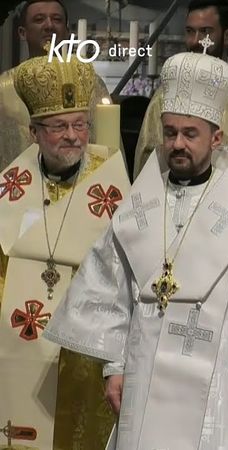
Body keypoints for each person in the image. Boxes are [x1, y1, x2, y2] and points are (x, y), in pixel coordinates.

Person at [43, 46, 228, 449]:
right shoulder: (143, 201)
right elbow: (114, 283)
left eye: (190, 133)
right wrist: (115, 365)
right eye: (169, 133)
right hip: (145, 362)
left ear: (216, 137)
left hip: (215, 365)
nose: (177, 143)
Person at [0, 54, 129, 449]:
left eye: (79, 124)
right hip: (20, 348)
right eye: (58, 127)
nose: (73, 136)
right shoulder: (10, 189)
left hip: (86, 358)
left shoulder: (113, 188)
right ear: (33, 132)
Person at [133, 0, 228, 201]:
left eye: (206, 32)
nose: (196, 41)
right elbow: (148, 156)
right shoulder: (166, 93)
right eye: (190, 31)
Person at [0, 0, 112, 171]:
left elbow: (107, 144)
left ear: (67, 32)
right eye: (39, 19)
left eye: (57, 19)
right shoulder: (3, 88)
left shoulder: (90, 82)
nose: (49, 25)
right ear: (22, 33)